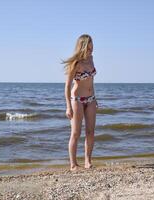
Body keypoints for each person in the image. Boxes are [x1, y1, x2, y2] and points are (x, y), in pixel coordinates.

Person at [62, 34, 98, 171]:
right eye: (88, 48)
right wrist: (68, 107)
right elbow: (67, 86)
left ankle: (88, 161)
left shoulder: (91, 59)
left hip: (91, 99)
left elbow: (91, 82)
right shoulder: (75, 63)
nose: (91, 50)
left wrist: (95, 98)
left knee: (90, 132)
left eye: (92, 47)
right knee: (76, 133)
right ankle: (73, 164)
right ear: (82, 47)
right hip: (77, 100)